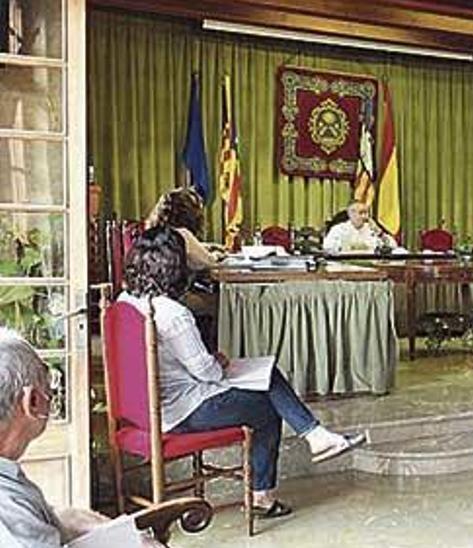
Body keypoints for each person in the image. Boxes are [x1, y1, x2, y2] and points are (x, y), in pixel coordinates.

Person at [119, 226, 366, 519]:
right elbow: (207, 374)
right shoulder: (173, 314)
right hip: (181, 411)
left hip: (145, 409)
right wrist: (218, 363)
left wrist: (210, 361)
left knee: (267, 377)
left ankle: (315, 436)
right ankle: (266, 492)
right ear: (175, 265)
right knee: (267, 403)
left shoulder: (125, 302)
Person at [0, 329, 165, 547]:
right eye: (49, 382)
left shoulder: (9, 481)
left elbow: (52, 516)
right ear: (32, 401)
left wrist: (119, 533)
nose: (52, 392)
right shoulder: (9, 511)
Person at [145, 187, 221, 270]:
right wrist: (216, 255)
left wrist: (203, 247)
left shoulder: (152, 234)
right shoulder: (183, 235)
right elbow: (210, 262)